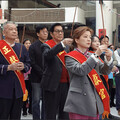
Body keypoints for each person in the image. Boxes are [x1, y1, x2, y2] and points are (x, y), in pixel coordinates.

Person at [64, 26, 113, 120]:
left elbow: (105, 71)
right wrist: (96, 55)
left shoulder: (91, 55)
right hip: (79, 101)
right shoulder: (70, 57)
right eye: (85, 37)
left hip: (94, 100)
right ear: (77, 40)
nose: (88, 40)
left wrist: (108, 59)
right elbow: (81, 70)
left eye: (89, 37)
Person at [41, 23, 73, 119]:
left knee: (65, 114)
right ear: (51, 33)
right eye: (57, 31)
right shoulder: (46, 45)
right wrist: (62, 44)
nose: (60, 33)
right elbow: (47, 55)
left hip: (66, 85)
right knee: (50, 113)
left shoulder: (67, 47)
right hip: (52, 84)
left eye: (61, 31)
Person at [0, 21, 30, 119]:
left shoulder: (21, 47)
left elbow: (28, 64)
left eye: (15, 29)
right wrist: (8, 67)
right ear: (4, 33)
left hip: (18, 89)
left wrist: (24, 67)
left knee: (16, 116)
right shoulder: (1, 47)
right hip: (3, 89)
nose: (14, 32)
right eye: (11, 29)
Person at [29, 25, 48, 120]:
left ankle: (44, 117)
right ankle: (36, 118)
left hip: (47, 77)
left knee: (45, 100)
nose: (45, 33)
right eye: (43, 31)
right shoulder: (33, 46)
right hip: (36, 77)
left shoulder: (49, 46)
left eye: (46, 31)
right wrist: (42, 72)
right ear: (37, 34)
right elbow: (32, 62)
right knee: (36, 100)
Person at [22, 38, 32, 116]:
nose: (28, 45)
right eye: (26, 43)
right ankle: (24, 110)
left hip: (31, 77)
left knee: (31, 94)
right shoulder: (21, 53)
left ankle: (31, 110)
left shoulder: (32, 53)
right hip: (24, 77)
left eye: (29, 43)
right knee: (25, 94)